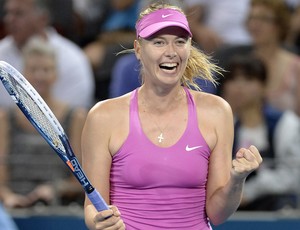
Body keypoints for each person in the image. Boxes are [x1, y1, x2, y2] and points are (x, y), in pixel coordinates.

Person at [82, 2, 262, 229]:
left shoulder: (217, 112)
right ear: (138, 49)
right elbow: (92, 206)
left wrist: (237, 180)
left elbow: (217, 214)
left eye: (180, 41)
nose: (171, 52)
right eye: (159, 42)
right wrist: (98, 222)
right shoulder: (103, 117)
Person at [0, 37, 87, 208]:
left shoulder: (75, 116)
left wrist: (54, 189)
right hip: (12, 205)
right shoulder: (5, 118)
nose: (40, 76)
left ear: (56, 74)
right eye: (33, 69)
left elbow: (80, 177)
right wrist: (8, 196)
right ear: (23, 73)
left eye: (46, 69)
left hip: (58, 205)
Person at [220, 54, 300, 211]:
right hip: (231, 208)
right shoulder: (222, 126)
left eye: (248, 79)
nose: (239, 86)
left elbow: (294, 175)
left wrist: (250, 192)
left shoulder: (286, 123)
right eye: (233, 80)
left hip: (276, 209)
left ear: (264, 87)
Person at [0, 0, 95, 109]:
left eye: (19, 13)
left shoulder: (73, 61)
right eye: (8, 13)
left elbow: (74, 116)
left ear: (43, 18)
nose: (9, 19)